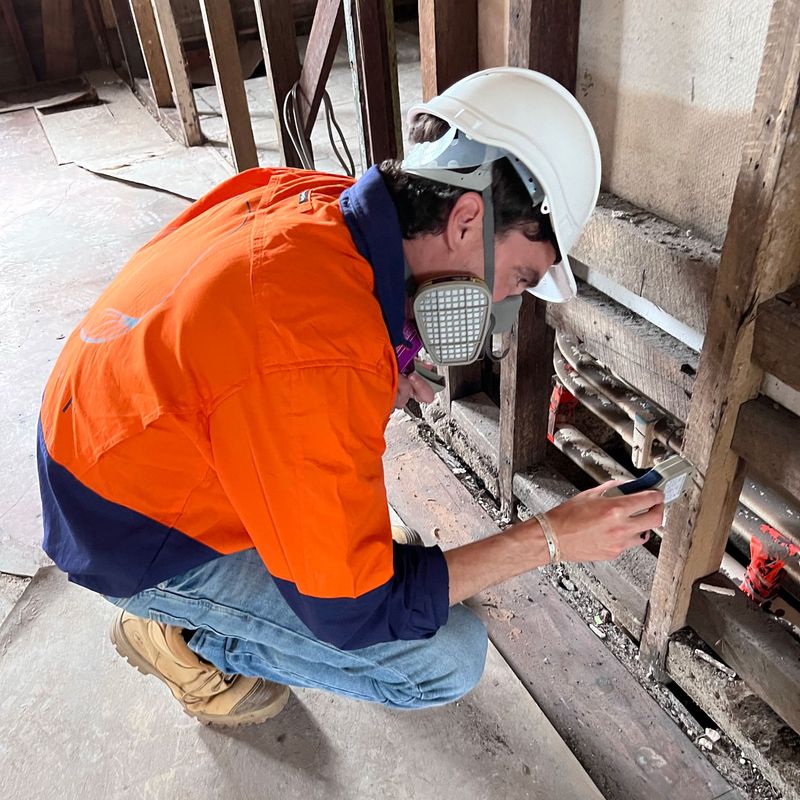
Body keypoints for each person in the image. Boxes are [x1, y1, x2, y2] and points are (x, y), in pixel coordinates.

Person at [37, 68, 663, 727]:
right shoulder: (315, 346)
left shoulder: (314, 201)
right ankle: (184, 637)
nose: (506, 308)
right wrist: (550, 537)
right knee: (446, 656)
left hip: (105, 434)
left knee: (409, 570)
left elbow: (259, 354)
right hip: (129, 532)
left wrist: (373, 359)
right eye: (518, 278)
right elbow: (354, 614)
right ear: (467, 217)